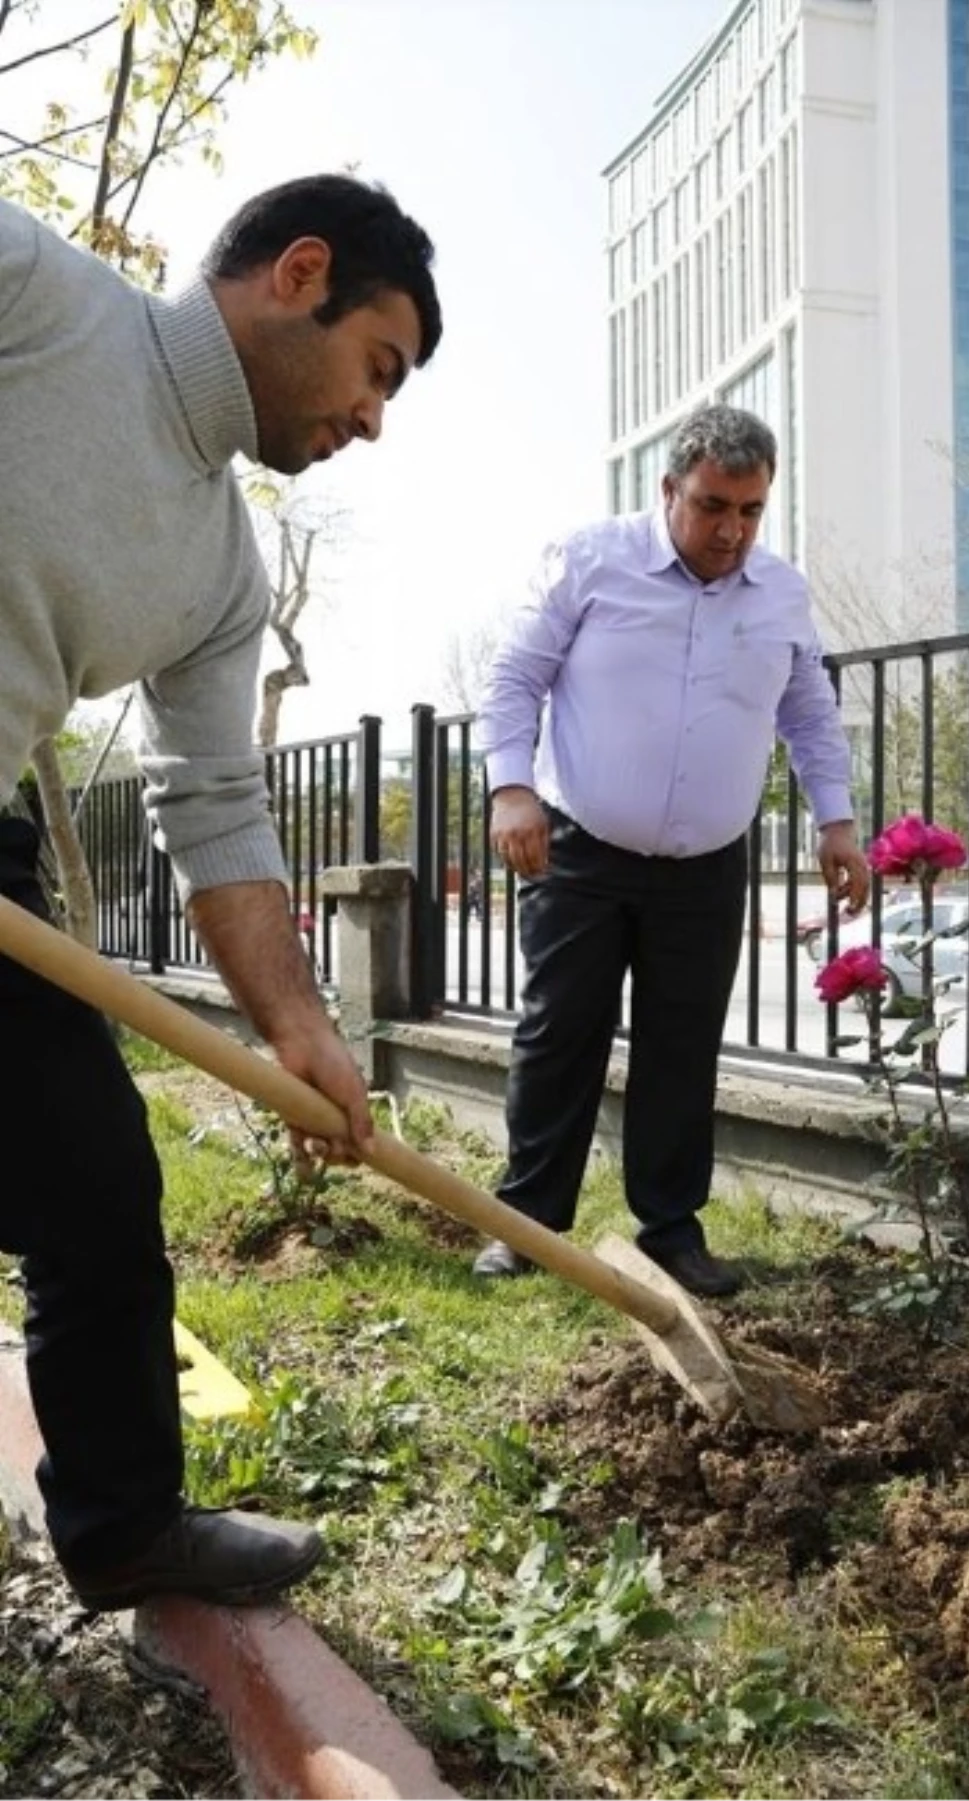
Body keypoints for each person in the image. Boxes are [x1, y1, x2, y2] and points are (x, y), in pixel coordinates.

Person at [0, 174, 441, 1610]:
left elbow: (214, 804)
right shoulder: (37, 299)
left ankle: (124, 1527)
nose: (377, 419)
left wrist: (297, 1026)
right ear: (298, 272)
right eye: (379, 366)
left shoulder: (221, 572)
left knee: (95, 1181)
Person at [473, 405, 868, 1299]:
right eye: (713, 505)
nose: (732, 529)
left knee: (681, 1045)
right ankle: (527, 1224)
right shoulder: (591, 559)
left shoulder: (782, 594)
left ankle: (671, 1229)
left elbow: (808, 712)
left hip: (707, 864)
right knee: (559, 1032)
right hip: (581, 849)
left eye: (752, 509)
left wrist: (835, 820)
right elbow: (514, 677)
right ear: (669, 489)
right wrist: (510, 785)